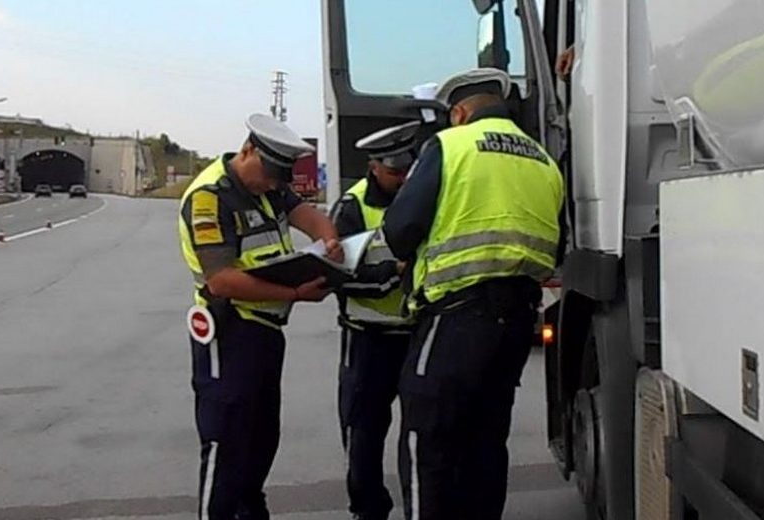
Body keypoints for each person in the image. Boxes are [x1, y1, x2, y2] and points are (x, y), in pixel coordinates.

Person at [381, 68, 565, 520]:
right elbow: (557, 246)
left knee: (427, 437)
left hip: (456, 316)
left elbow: (400, 230)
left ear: (459, 112)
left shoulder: (450, 146)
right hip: (517, 320)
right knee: (486, 440)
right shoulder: (543, 160)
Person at [177, 114, 344, 520]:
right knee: (226, 440)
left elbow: (308, 216)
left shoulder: (270, 188)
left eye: (278, 179)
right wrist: (294, 294)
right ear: (248, 150)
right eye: (268, 175)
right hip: (229, 330)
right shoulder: (210, 197)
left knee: (261, 440)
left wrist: (329, 239)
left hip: (266, 332)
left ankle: (250, 511)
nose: (272, 185)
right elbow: (221, 280)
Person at [328, 120, 421, 520]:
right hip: (368, 340)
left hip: (416, 334)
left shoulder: (423, 198)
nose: (403, 179)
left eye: (408, 169)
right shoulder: (351, 208)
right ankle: (368, 510)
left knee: (422, 434)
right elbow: (338, 278)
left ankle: (420, 508)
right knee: (362, 435)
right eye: (394, 171)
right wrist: (394, 273)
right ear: (373, 167)